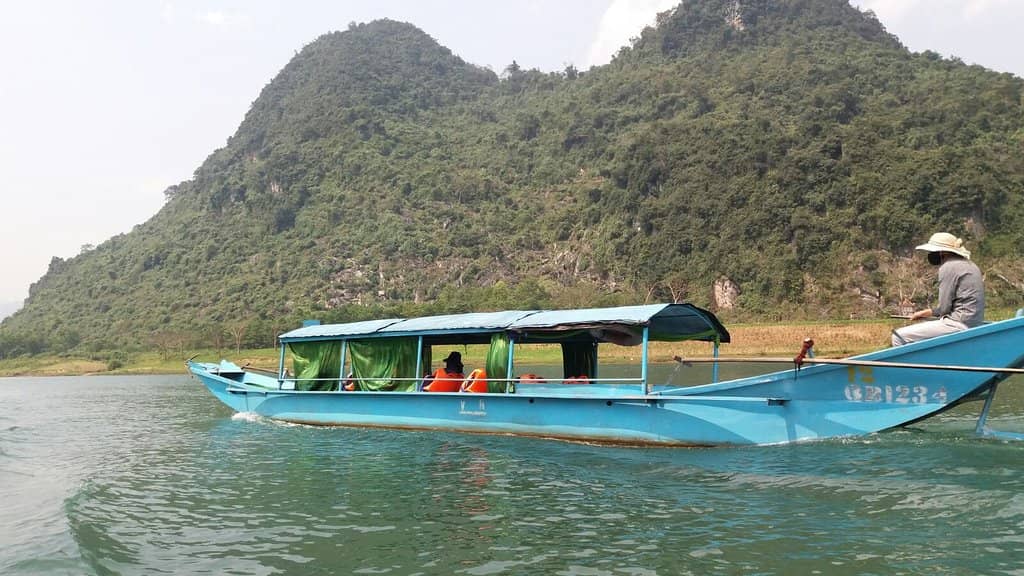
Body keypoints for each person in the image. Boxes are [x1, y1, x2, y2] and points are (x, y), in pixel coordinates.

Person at [892, 232, 985, 346]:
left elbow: (944, 309)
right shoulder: (971, 265)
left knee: (898, 336)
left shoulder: (948, 267)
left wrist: (929, 313)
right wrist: (926, 313)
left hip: (958, 323)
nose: (931, 254)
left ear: (942, 252)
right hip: (972, 322)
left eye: (933, 252)